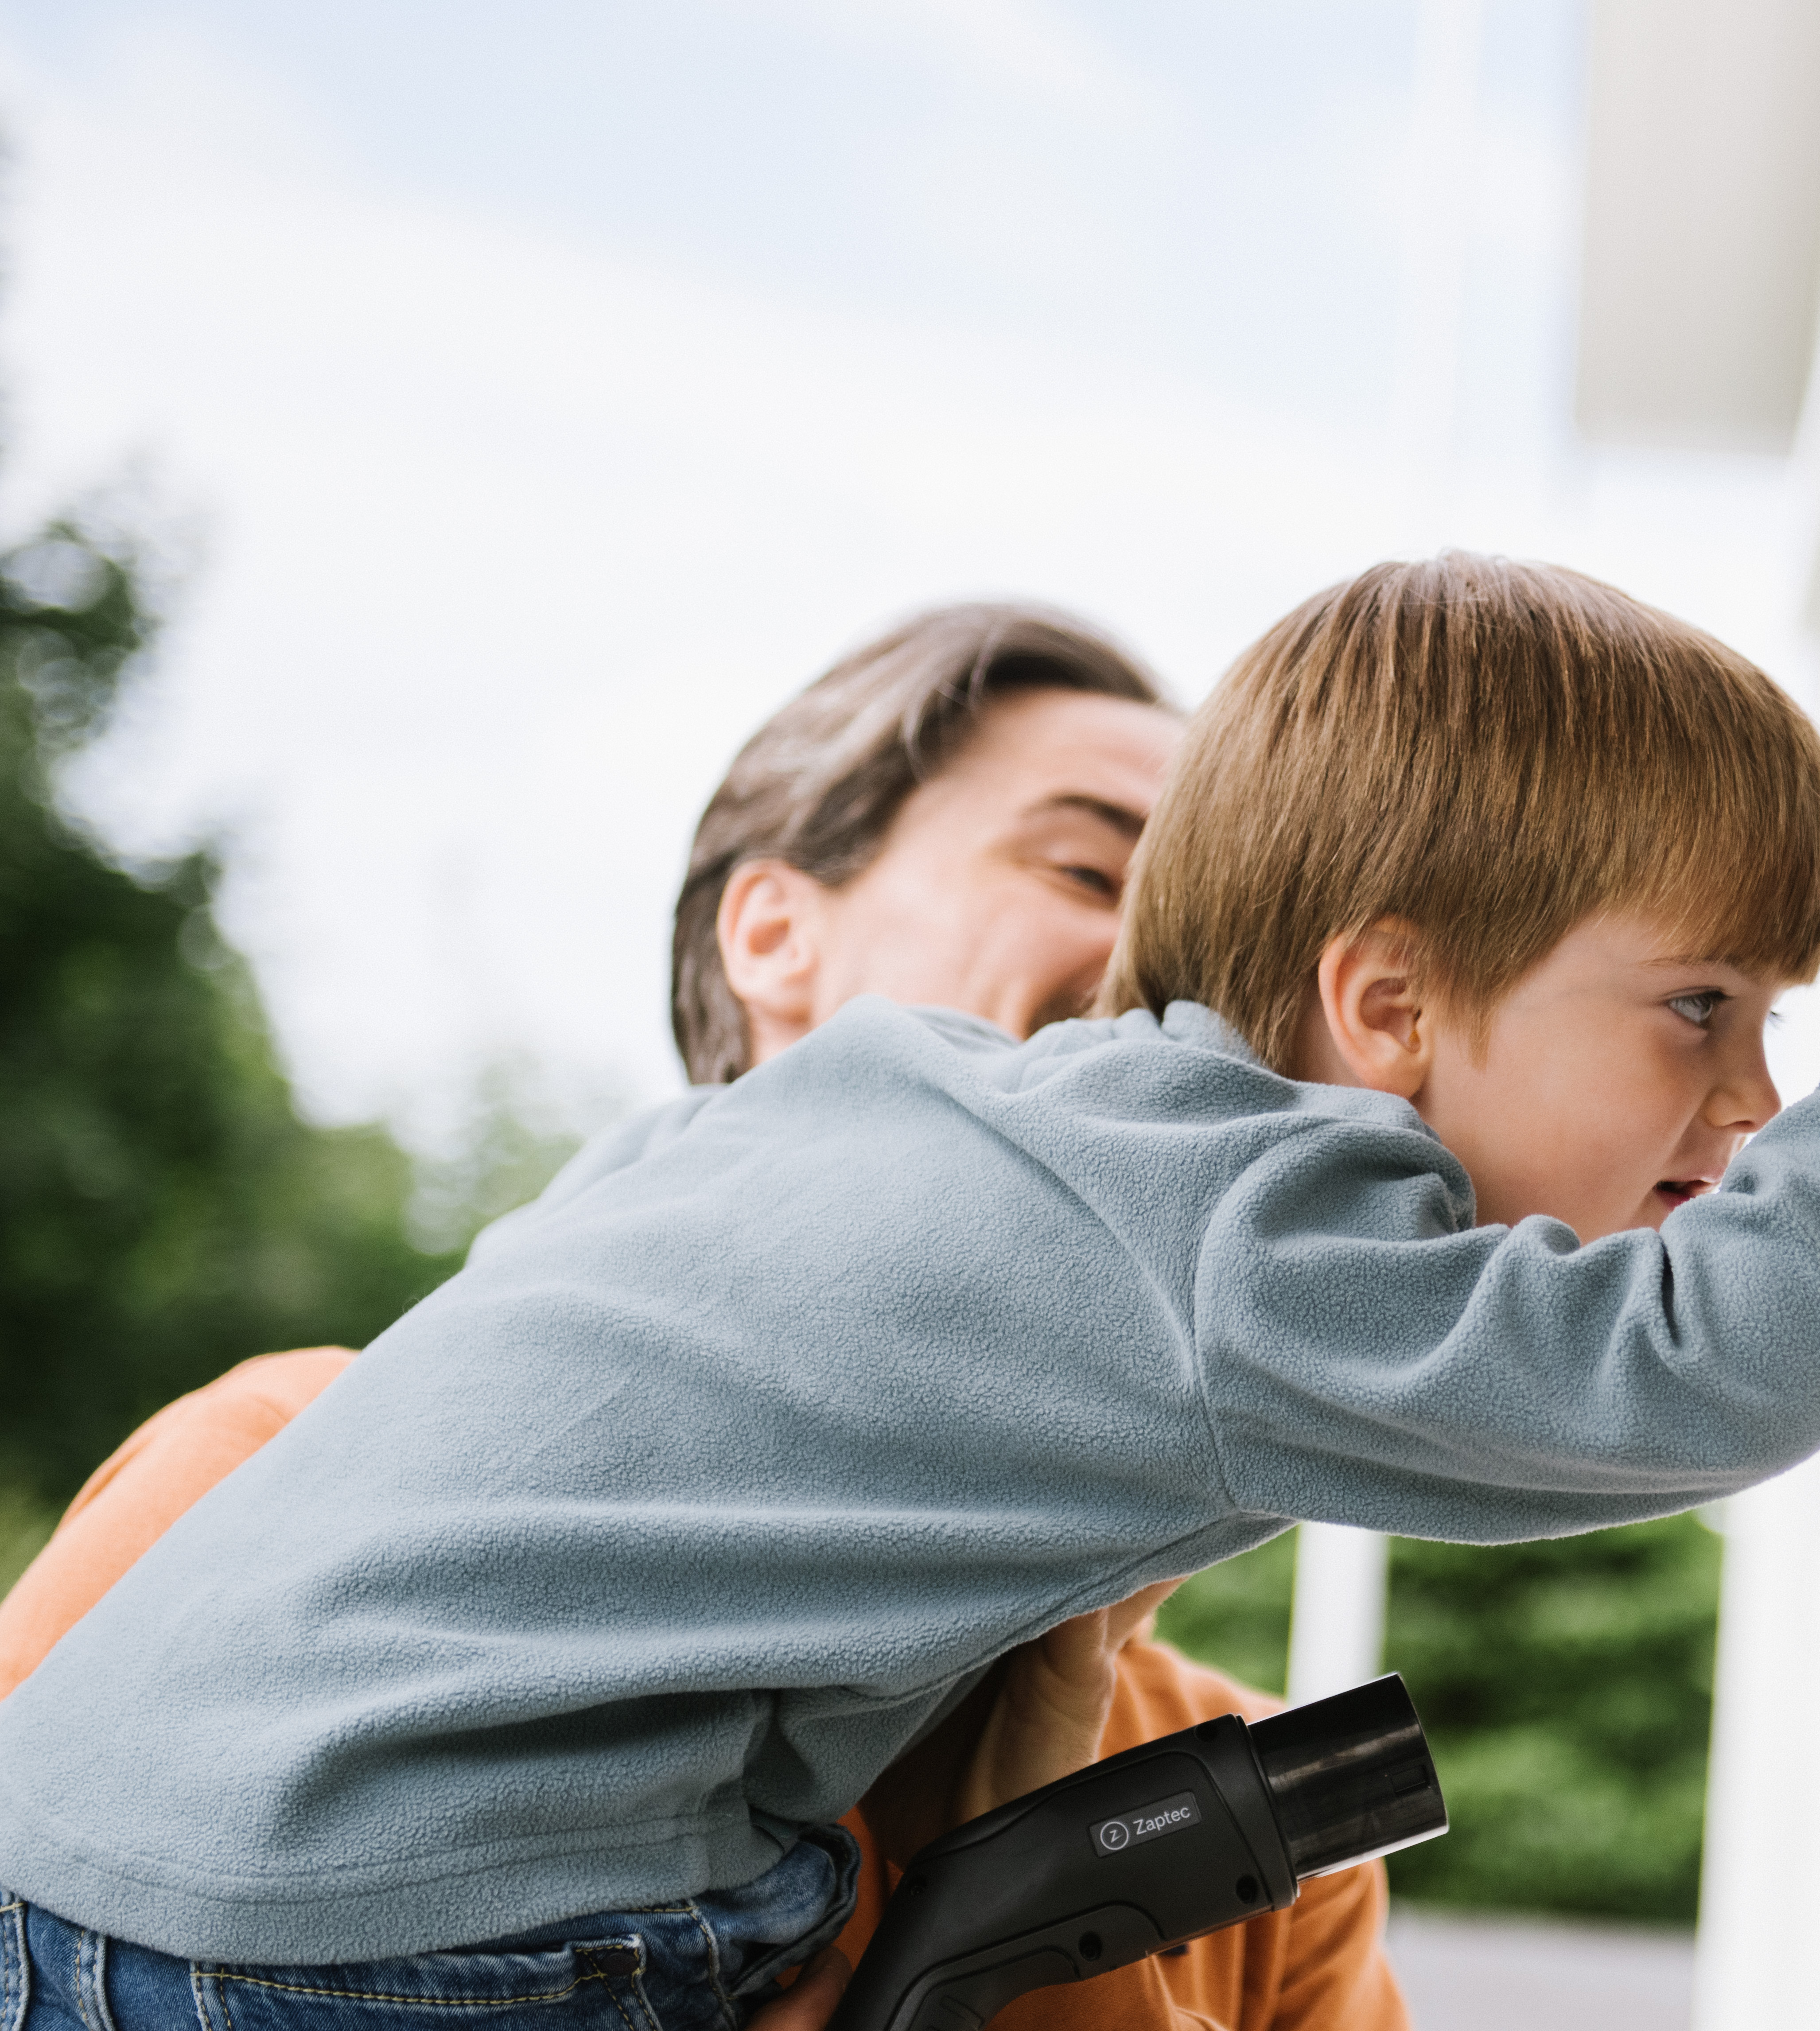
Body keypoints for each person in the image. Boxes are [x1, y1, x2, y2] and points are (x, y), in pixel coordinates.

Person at [0, 552, 1820, 2031]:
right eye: (1698, 1008)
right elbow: (1698, 1375)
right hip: (397, 1931)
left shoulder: (877, 1113)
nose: (1754, 1101)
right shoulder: (1233, 1234)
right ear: (1380, 996)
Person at [0, 600, 1403, 2031]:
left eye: (1222, 943)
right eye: (1094, 868)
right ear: (775, 934)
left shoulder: (1261, 1836)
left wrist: (1038, 1875)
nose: (1174, 996)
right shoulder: (261, 1474)